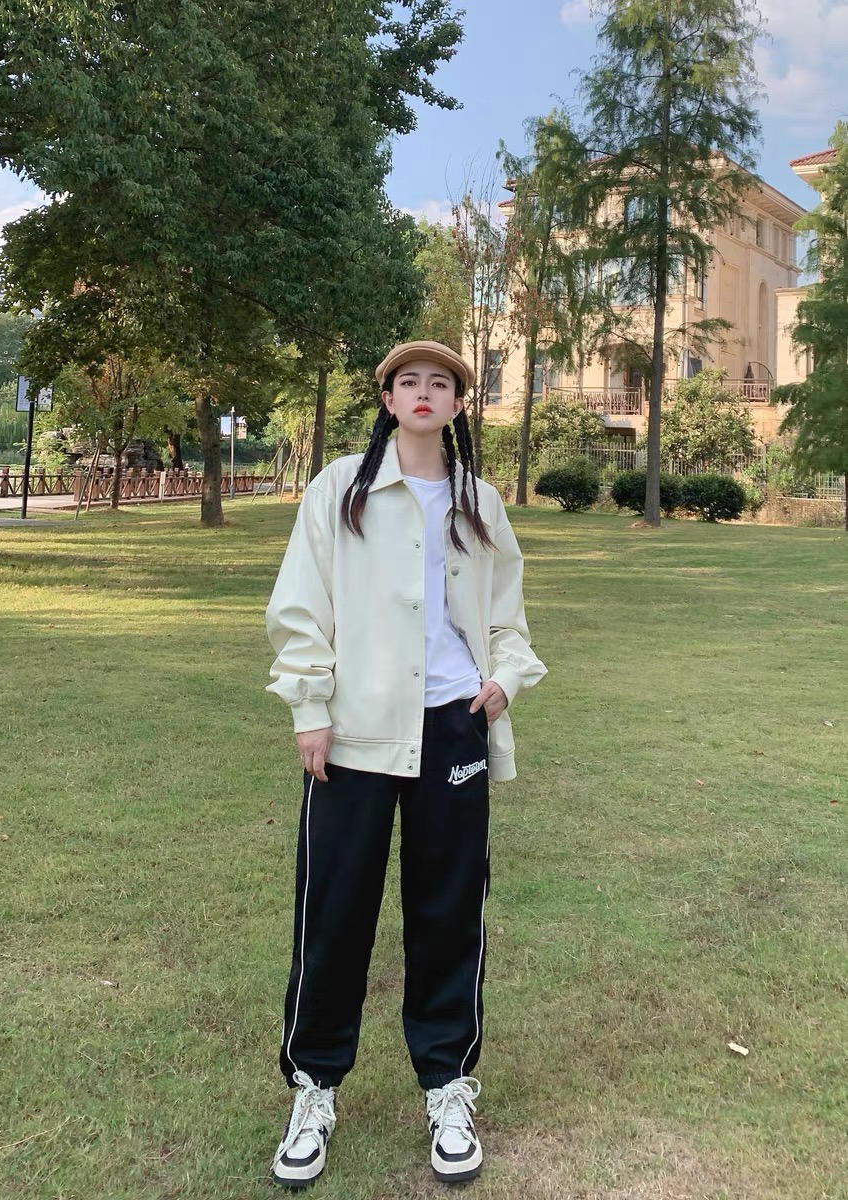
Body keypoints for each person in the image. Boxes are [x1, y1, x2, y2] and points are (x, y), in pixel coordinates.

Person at [264, 339, 548, 1188]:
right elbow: (301, 605)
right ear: (387, 399)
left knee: (449, 911)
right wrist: (310, 709)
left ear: (459, 403)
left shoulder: (478, 501)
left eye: (441, 383)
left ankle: (447, 1085)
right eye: (408, 382)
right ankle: (314, 1087)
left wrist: (502, 680)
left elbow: (506, 613)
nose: (424, 393)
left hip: (453, 727)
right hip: (352, 734)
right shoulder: (340, 489)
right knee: (334, 910)